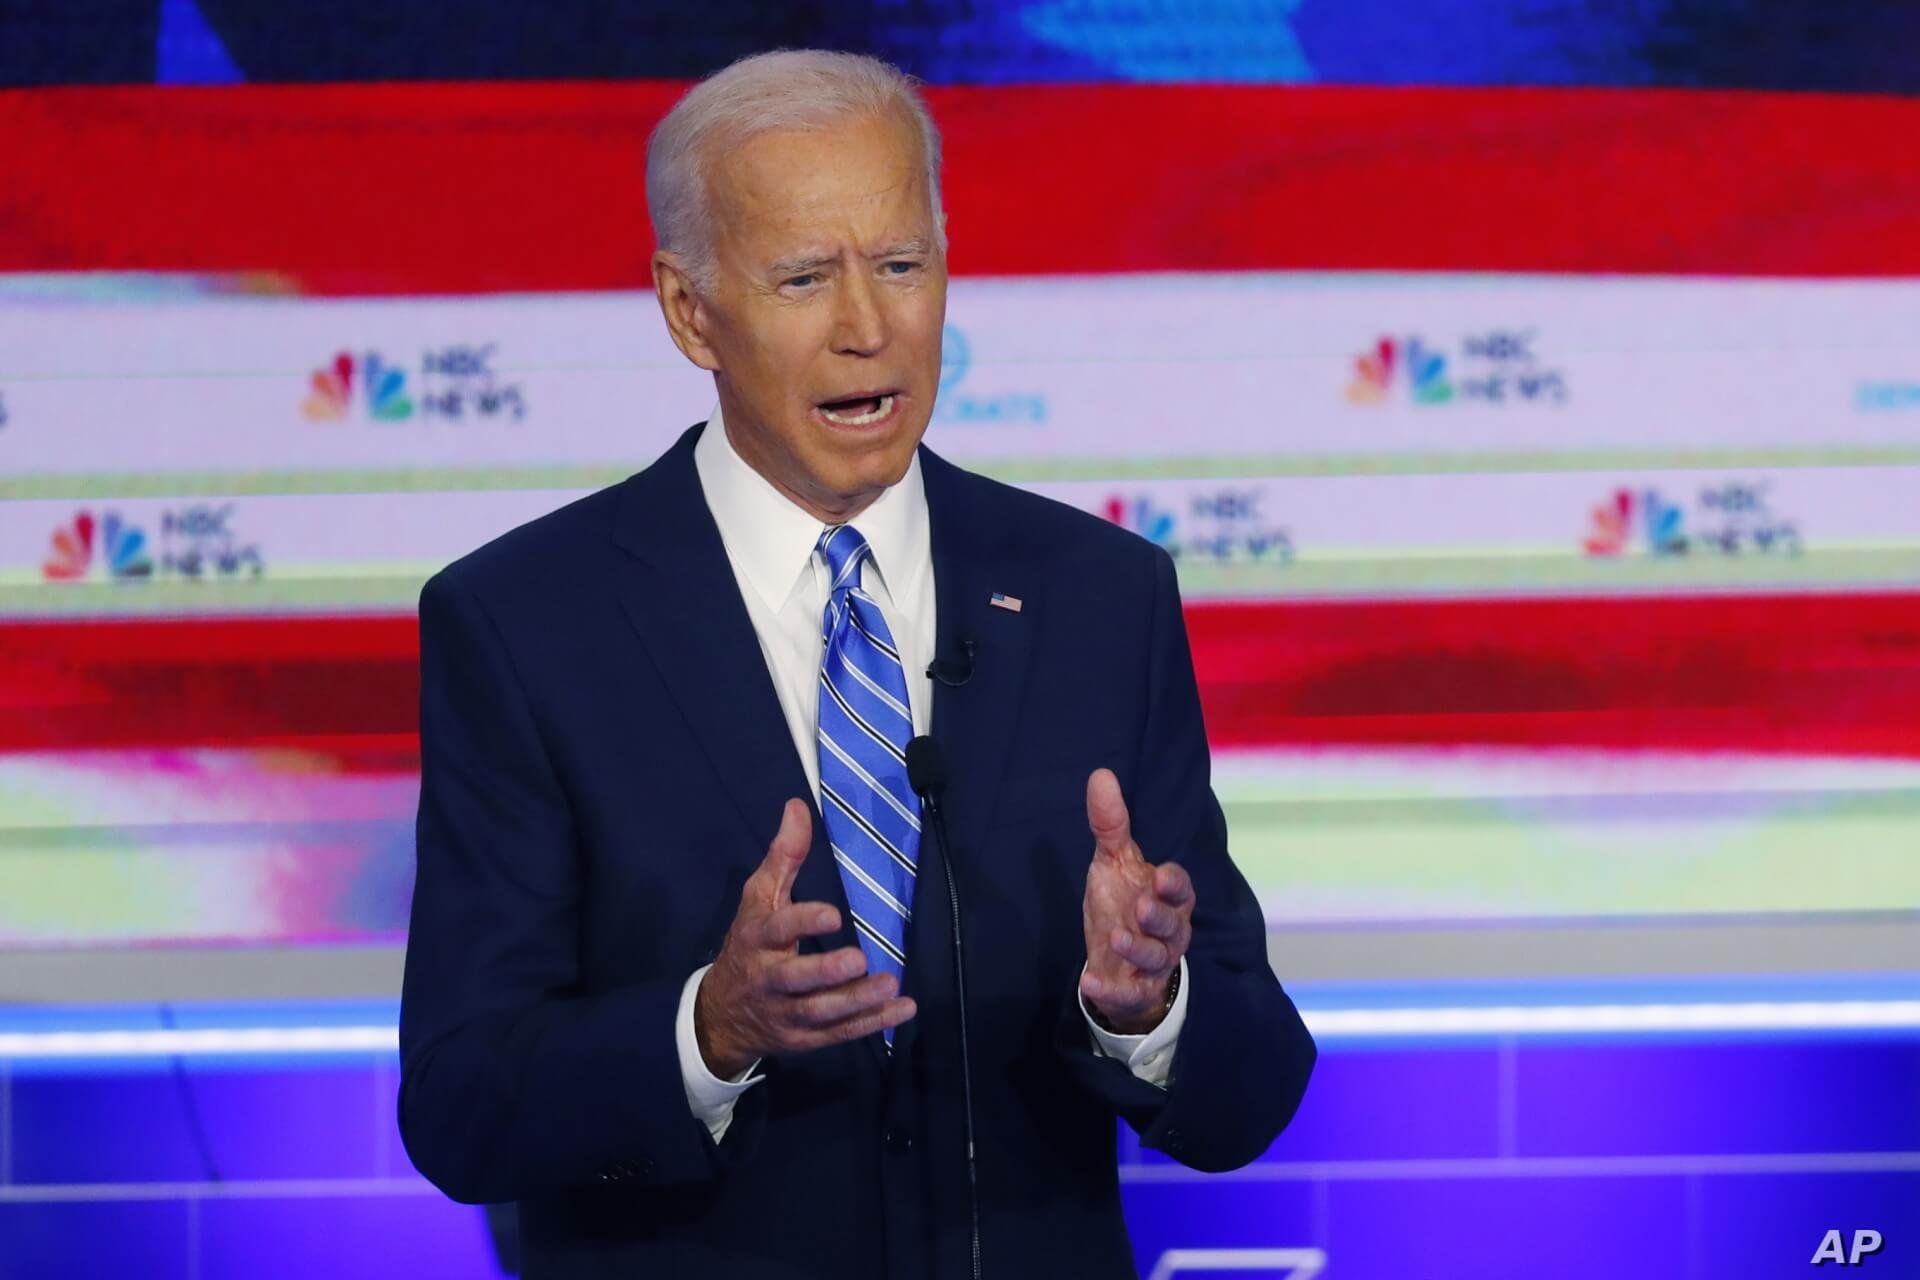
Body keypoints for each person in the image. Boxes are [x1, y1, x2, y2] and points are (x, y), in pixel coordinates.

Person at [398, 48, 1315, 1280]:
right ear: (689, 309)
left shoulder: (1100, 596)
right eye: (802, 277)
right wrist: (709, 1030)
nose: (866, 327)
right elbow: (463, 1104)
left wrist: (1148, 1008)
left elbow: (1252, 1090)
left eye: (900, 264)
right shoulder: (525, 624)